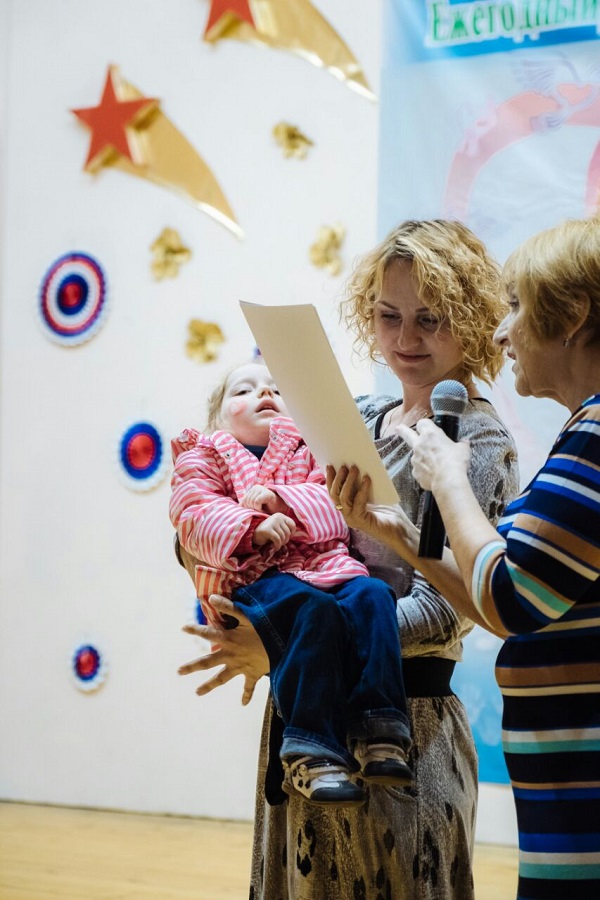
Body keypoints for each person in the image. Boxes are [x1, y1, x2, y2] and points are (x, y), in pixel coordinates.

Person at [177, 219, 520, 899]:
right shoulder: (355, 416)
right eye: (389, 316)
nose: (405, 338)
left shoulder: (475, 443)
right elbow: (228, 509)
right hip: (307, 721)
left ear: (475, 318)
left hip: (407, 727)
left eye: (430, 318)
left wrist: (286, 642)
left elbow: (449, 611)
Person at [332, 216, 600, 900]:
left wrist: (449, 479)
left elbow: (508, 600)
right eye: (388, 315)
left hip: (565, 765)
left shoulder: (588, 437)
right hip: (565, 773)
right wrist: (399, 534)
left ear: (572, 319)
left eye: (517, 307)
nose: (504, 333)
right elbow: (502, 593)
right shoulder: (584, 431)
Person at [170, 360, 414, 808]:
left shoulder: (310, 450)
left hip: (326, 566)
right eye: (243, 391)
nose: (264, 393)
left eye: (275, 389)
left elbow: (338, 508)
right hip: (253, 578)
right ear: (216, 419)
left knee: (373, 595)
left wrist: (284, 501)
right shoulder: (202, 458)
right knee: (312, 611)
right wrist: (252, 526)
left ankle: (380, 724)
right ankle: (309, 748)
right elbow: (193, 517)